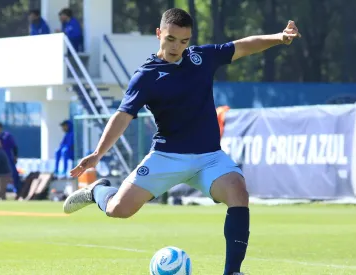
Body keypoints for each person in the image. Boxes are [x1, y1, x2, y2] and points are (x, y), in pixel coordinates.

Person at [63, 8, 300, 275]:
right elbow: (123, 116)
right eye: (171, 39)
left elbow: (243, 46)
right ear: (158, 34)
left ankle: (233, 271)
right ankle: (97, 191)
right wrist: (97, 153)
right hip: (167, 156)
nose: (177, 47)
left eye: (184, 41)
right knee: (119, 209)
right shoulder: (146, 75)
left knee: (238, 191)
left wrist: (279, 37)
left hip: (209, 157)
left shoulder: (202, 57)